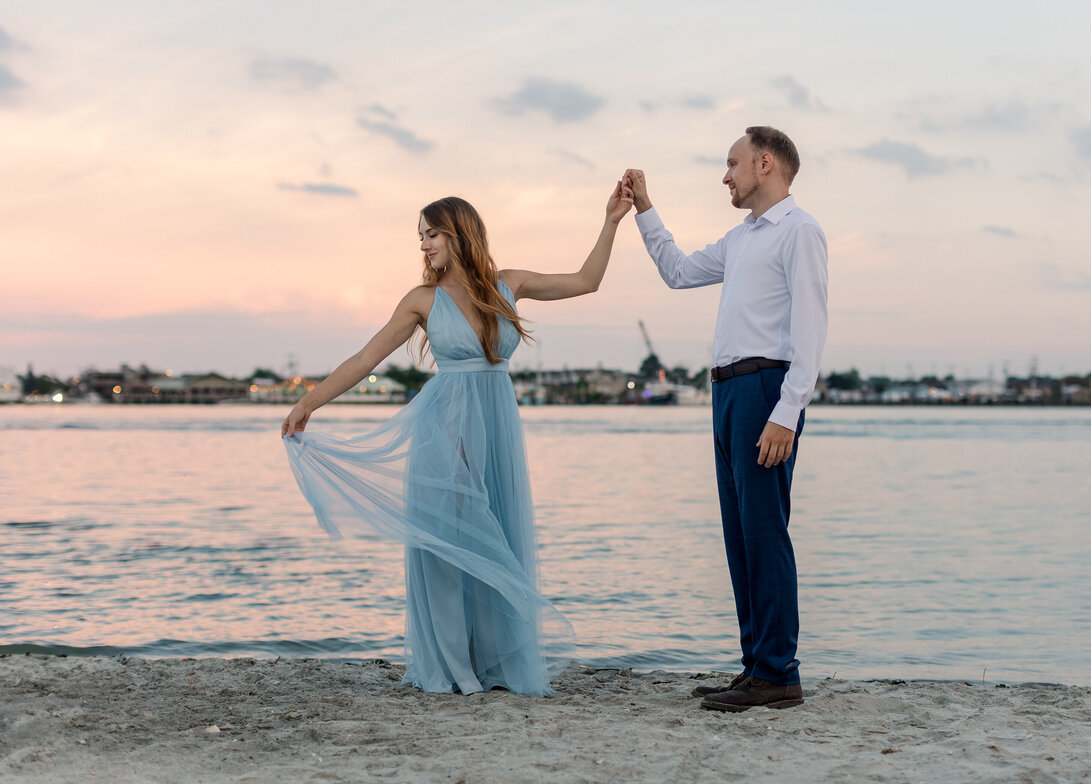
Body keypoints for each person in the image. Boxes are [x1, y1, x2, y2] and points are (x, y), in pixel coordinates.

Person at [282, 184, 633, 696]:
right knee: (446, 546)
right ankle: (451, 668)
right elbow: (364, 360)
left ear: (459, 234)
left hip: (496, 429)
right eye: (420, 237)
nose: (423, 246)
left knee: (498, 541)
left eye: (432, 234)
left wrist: (612, 221)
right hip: (442, 430)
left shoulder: (507, 284)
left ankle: (492, 664)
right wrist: (308, 403)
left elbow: (586, 281)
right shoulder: (421, 300)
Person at [624, 125, 828, 712]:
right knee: (740, 535)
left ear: (765, 164)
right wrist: (645, 209)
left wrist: (787, 412)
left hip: (767, 390)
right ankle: (755, 665)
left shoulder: (800, 231)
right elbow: (678, 271)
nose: (726, 175)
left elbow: (812, 330)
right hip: (727, 393)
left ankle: (779, 672)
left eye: (732, 164)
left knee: (766, 533)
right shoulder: (741, 240)